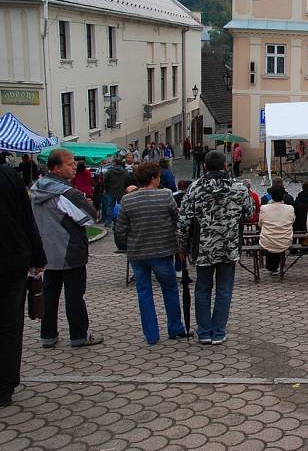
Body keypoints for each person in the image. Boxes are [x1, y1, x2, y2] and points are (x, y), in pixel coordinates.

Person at [177, 151, 254, 345]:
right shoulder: (239, 188)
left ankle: (204, 332)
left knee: (202, 288)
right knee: (224, 289)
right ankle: (218, 332)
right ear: (226, 166)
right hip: (229, 245)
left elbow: (184, 221)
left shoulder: (194, 188)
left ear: (204, 166)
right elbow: (250, 212)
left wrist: (181, 247)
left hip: (203, 247)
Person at [30, 149, 103, 347]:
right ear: (56, 168)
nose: (74, 167)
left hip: (46, 252)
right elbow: (90, 217)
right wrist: (86, 205)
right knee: (74, 295)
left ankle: (48, 335)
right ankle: (79, 335)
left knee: (50, 295)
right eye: (70, 164)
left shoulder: (36, 189)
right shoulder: (66, 192)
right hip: (69, 250)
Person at [115, 162, 187, 345]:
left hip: (137, 254)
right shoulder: (165, 195)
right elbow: (176, 220)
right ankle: (175, 328)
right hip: (162, 251)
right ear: (154, 178)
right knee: (170, 290)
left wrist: (128, 244)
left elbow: (121, 229)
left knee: (144, 293)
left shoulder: (127, 200)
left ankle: (151, 335)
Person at [0, 164, 46, 407]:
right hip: (11, 260)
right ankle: (5, 386)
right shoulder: (8, 175)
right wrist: (38, 258)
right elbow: (27, 219)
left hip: (11, 261)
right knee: (9, 325)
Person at [257, 186, 295, 276]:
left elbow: (260, 224)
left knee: (270, 239)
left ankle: (272, 267)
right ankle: (274, 267)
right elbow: (292, 221)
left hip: (268, 240)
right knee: (277, 239)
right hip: (285, 240)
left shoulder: (264, 208)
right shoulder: (290, 208)